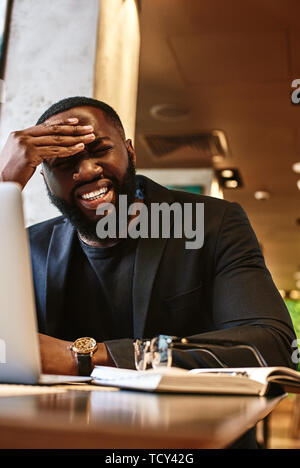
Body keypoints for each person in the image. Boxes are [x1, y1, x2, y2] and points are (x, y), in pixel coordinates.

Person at [0, 96, 297, 377]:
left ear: (130, 152)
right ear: (45, 180)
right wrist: (4, 183)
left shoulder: (213, 224)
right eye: (64, 163)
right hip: (57, 427)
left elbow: (272, 345)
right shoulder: (29, 248)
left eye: (101, 150)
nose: (88, 170)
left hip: (188, 427)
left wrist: (89, 356)